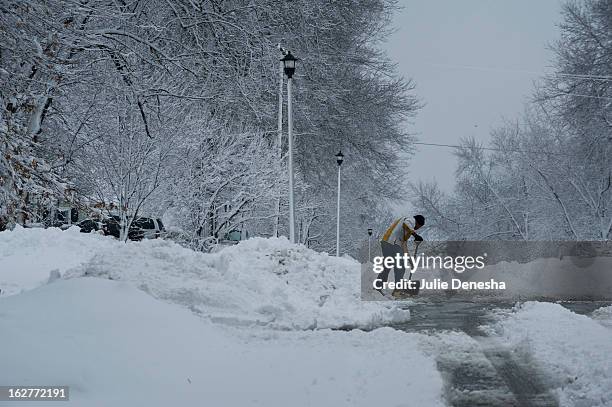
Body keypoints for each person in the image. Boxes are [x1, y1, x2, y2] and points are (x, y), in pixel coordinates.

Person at [378, 215, 425, 298]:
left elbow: (404, 248)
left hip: (386, 242)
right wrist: (415, 235)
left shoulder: (405, 232)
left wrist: (411, 263)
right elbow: (406, 223)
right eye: (419, 226)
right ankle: (397, 291)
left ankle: (378, 287)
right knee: (400, 266)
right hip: (392, 242)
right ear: (417, 222)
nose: (418, 228)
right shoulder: (411, 220)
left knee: (387, 266)